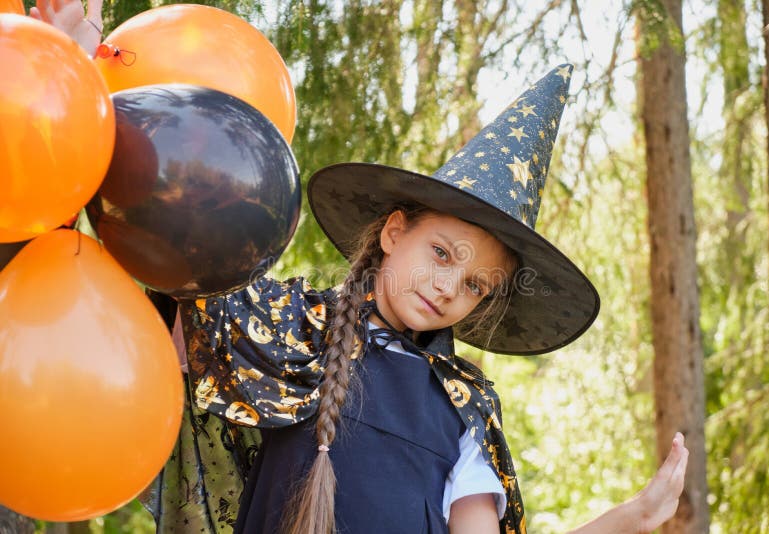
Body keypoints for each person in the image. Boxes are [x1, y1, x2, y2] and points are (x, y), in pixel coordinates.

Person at [39, 2, 689, 533]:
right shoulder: (291, 327)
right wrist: (63, 103)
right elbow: (146, 327)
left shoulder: (467, 405)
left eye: (474, 286)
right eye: (441, 254)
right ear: (394, 231)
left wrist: (632, 517)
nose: (445, 287)